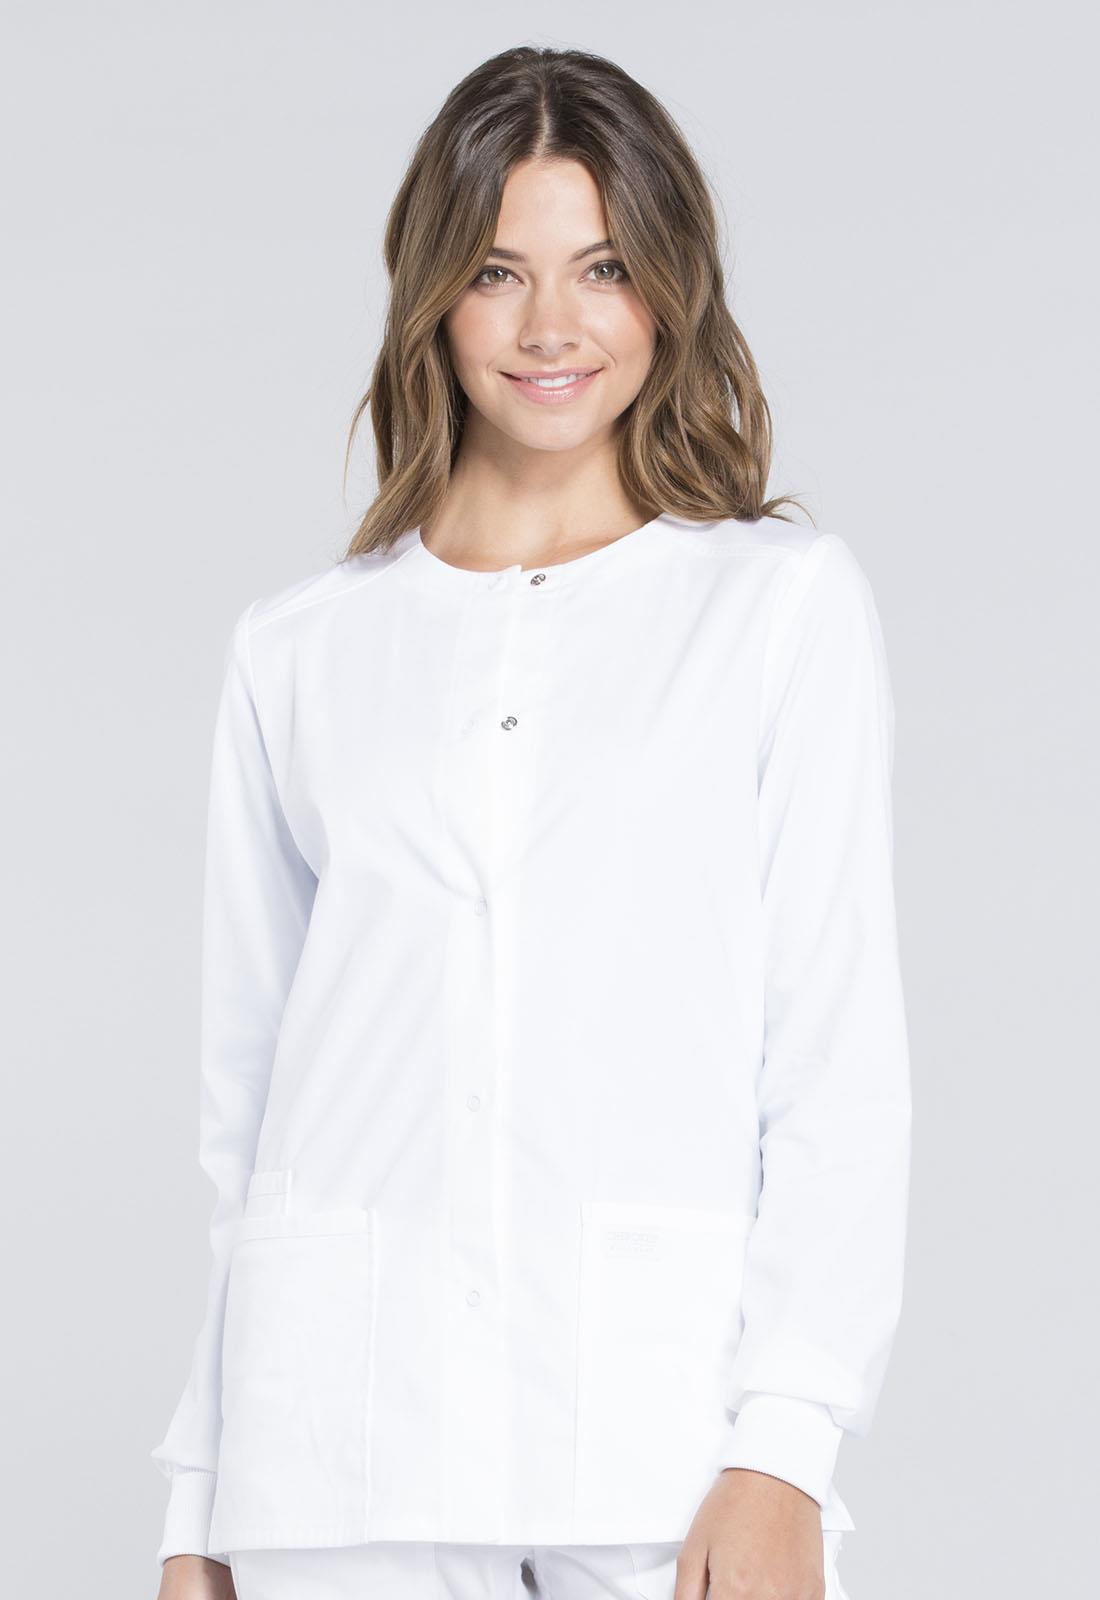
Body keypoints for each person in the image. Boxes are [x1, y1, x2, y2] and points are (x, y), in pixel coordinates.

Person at [150, 44, 911, 1600]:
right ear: (433, 295)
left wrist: (786, 1444)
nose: (552, 325)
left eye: (603, 267)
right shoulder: (298, 651)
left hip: (657, 1439)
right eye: (499, 271)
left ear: (669, 288)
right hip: (338, 1463)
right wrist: (196, 1506)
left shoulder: (775, 613)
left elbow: (836, 1060)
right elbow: (251, 1120)